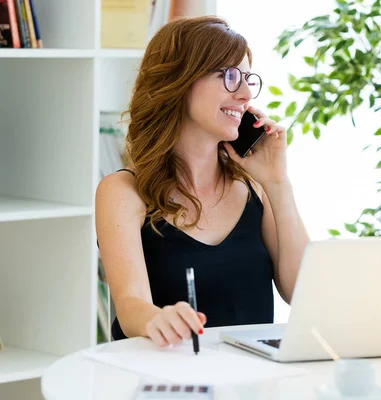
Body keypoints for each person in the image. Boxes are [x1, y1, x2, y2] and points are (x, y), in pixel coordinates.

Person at [95, 16, 310, 347]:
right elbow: (130, 306)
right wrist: (157, 318)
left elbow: (305, 292)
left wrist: (279, 185)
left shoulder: (257, 188)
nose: (245, 93)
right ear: (179, 81)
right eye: (230, 76)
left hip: (248, 384)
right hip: (165, 381)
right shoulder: (123, 192)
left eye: (248, 78)